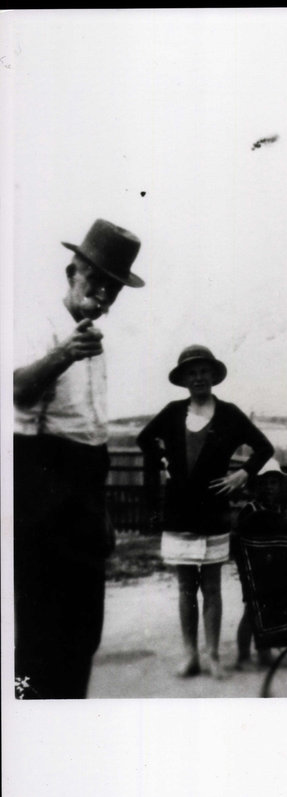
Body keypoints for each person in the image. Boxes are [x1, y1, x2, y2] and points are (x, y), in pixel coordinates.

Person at [13, 219, 146, 699]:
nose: (105, 296)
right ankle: (29, 716)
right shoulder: (40, 325)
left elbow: (93, 437)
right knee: (38, 630)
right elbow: (15, 392)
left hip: (85, 495)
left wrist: (104, 512)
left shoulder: (96, 344)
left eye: (114, 289)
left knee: (83, 628)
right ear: (72, 272)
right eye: (97, 282)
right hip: (39, 490)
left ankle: (67, 713)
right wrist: (63, 354)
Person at [137, 345, 274, 679]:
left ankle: (212, 654)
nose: (198, 377)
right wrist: (164, 461)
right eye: (192, 372)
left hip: (213, 511)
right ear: (184, 378)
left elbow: (264, 448)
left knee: (211, 587)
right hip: (180, 512)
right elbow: (145, 439)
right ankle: (190, 655)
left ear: (213, 375)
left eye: (203, 371)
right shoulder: (172, 412)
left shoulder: (229, 414)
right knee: (186, 588)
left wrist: (243, 473)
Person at [233, 458, 287, 670]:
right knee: (252, 611)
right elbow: (239, 544)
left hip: (272, 569)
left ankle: (265, 653)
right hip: (254, 569)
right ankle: (242, 656)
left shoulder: (279, 510)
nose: (269, 487)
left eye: (273, 483)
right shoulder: (251, 510)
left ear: (280, 485)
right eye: (264, 483)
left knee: (267, 611)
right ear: (256, 485)